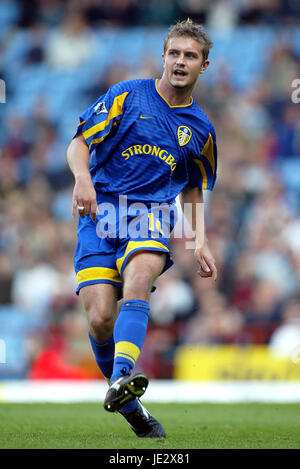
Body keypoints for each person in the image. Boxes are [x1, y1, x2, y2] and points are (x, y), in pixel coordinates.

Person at [66, 18, 218, 438]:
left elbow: (191, 188)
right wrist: (83, 179)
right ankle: (132, 407)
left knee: (139, 277)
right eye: (174, 53)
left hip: (149, 213)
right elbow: (79, 142)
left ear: (204, 66)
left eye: (190, 55)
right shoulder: (127, 95)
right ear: (163, 56)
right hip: (100, 213)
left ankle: (121, 374)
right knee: (99, 317)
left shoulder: (201, 130)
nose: (180, 61)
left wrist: (199, 239)